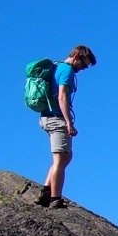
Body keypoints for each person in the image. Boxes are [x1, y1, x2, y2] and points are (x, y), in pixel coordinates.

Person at [36, 45, 97, 207]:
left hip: (46, 117)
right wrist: (69, 122)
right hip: (56, 118)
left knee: (66, 156)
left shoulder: (56, 67)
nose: (83, 68)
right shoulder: (67, 70)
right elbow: (62, 96)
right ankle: (55, 198)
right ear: (77, 56)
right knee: (59, 159)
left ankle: (46, 191)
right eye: (84, 64)